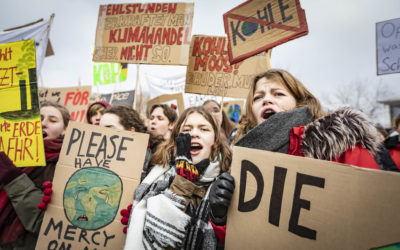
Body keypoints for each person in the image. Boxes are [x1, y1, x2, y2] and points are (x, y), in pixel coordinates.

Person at [123, 106, 232, 249]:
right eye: (187, 129)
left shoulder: (227, 182)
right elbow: (156, 242)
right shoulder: (158, 178)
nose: (194, 134)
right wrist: (183, 181)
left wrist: (220, 220)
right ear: (177, 138)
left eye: (204, 129)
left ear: (215, 141)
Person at [0, 101, 70, 249]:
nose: (43, 123)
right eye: (38, 118)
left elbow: (45, 223)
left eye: (53, 120)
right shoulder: (8, 156)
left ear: (65, 129)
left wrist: (13, 179)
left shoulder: (66, 166)